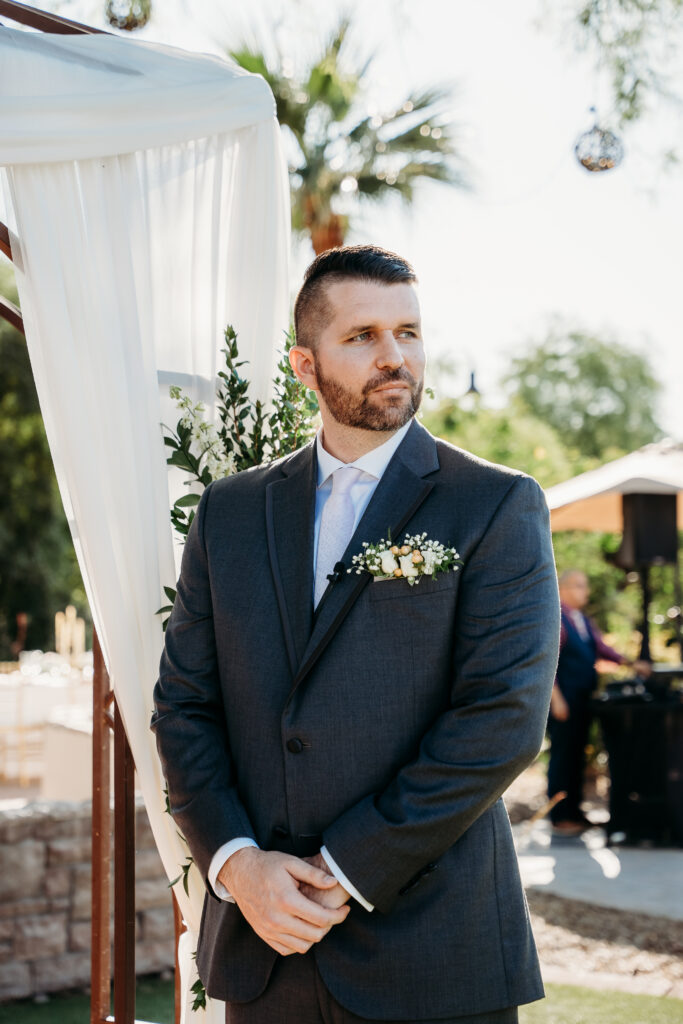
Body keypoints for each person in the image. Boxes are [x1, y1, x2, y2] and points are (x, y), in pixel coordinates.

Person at [152, 245, 560, 1024]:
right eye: (362, 336)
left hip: (432, 946)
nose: (393, 356)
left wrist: (341, 871)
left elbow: (501, 720)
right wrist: (238, 867)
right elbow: (184, 705)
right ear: (305, 366)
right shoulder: (230, 513)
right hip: (266, 948)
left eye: (407, 332)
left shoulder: (495, 504)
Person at [548, 569, 652, 836]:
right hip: (565, 700)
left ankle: (574, 811)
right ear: (564, 589)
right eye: (580, 586)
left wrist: (631, 664)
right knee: (563, 757)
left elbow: (601, 648)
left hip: (584, 698)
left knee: (577, 755)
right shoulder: (556, 617)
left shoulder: (581, 618)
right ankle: (559, 816)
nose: (586, 591)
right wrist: (555, 699)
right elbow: (548, 662)